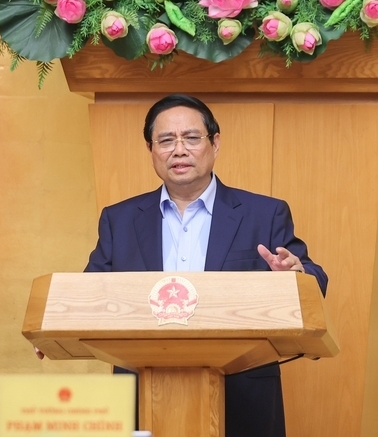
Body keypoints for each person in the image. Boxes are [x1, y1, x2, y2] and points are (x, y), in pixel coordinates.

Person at [82, 94, 328, 437]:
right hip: (143, 397)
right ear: (151, 149)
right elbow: (88, 294)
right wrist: (51, 329)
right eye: (166, 140)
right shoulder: (119, 220)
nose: (179, 150)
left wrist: (295, 276)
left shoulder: (264, 214)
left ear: (215, 143)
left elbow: (314, 279)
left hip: (243, 396)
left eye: (191, 138)